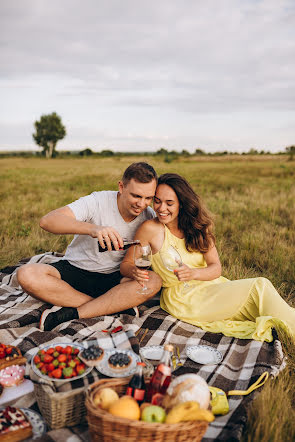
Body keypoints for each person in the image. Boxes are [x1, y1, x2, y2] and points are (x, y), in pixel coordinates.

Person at [121, 173, 295, 342]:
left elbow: (215, 268)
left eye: (169, 203)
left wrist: (193, 273)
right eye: (157, 201)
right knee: (260, 286)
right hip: (184, 298)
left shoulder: (198, 227)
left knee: (262, 300)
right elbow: (126, 264)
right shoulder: (150, 228)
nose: (161, 208)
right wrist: (135, 271)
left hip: (212, 287)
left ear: (182, 203)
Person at [17, 162, 162, 331]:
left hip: (115, 279)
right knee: (26, 274)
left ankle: (76, 311)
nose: (142, 204)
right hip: (75, 270)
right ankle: (110, 307)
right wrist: (93, 229)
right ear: (121, 187)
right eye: (136, 196)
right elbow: (47, 221)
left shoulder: (149, 216)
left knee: (153, 281)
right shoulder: (97, 201)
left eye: (148, 198)